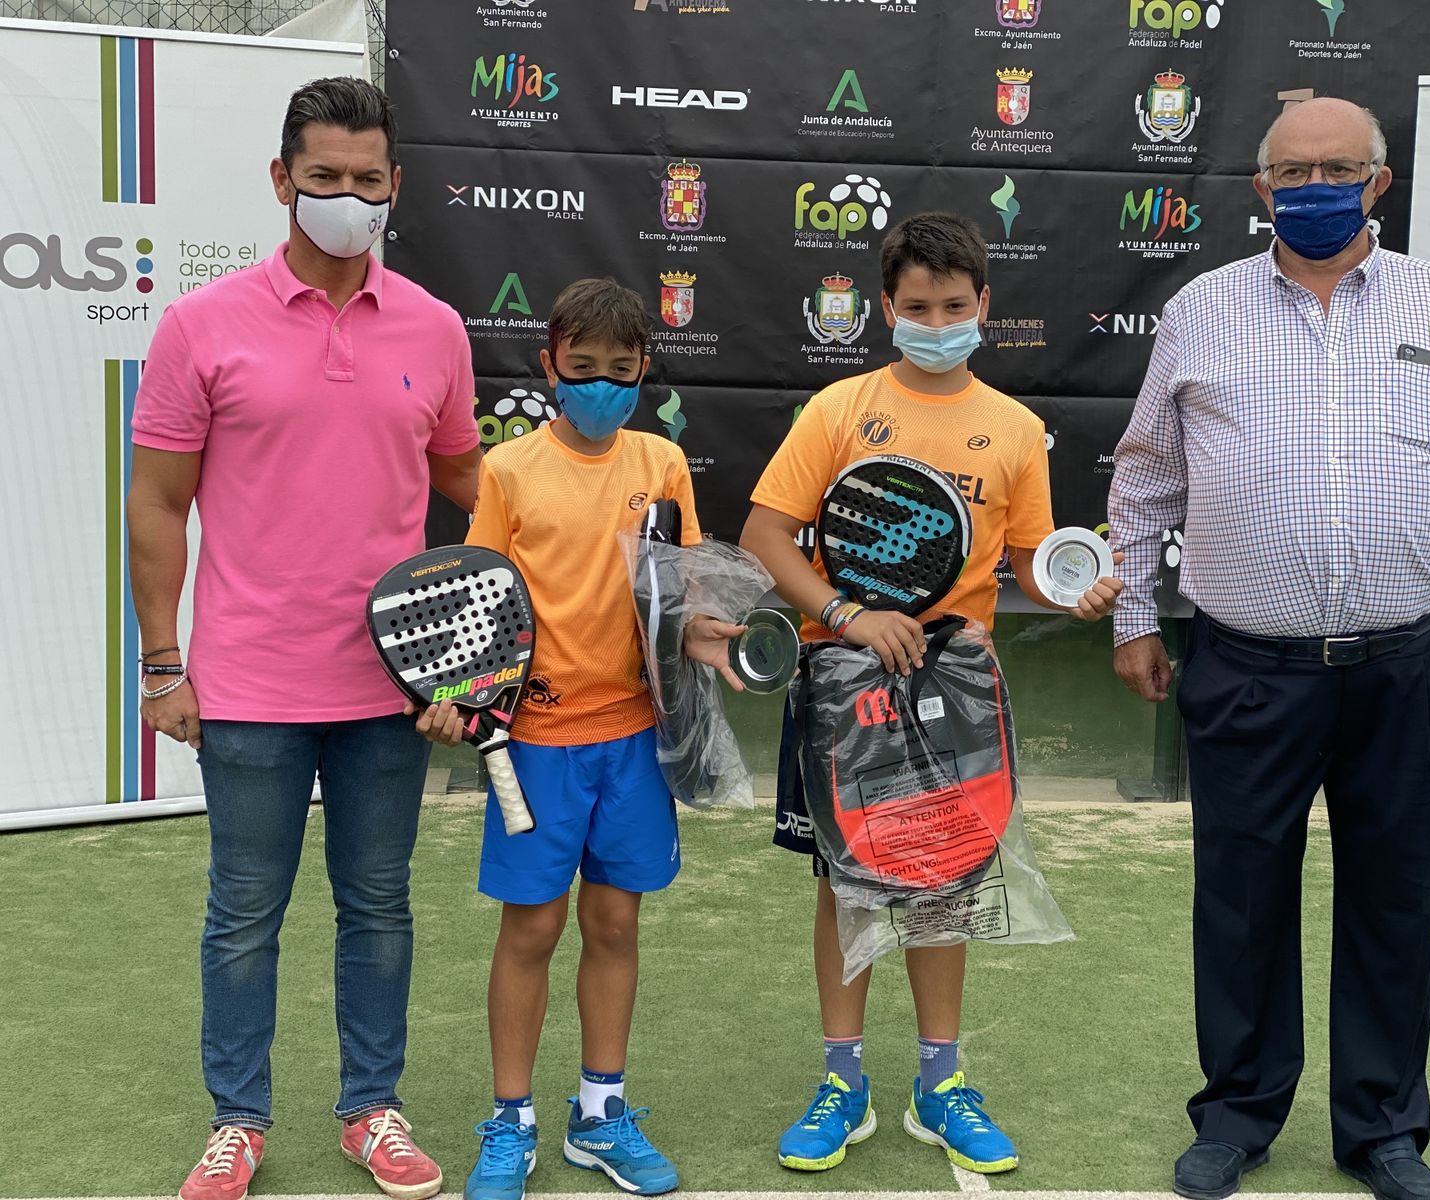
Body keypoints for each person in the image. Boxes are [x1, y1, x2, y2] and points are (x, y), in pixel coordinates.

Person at [1107, 98, 1430, 1200]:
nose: (1312, 184)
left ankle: (1381, 1129)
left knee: (1395, 898)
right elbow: (1147, 476)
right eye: (1290, 171)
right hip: (1243, 664)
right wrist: (1131, 620)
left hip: (1401, 664)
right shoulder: (1200, 312)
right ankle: (1239, 1114)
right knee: (1241, 898)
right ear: (1261, 191)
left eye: (1337, 167)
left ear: (1377, 182)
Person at [128, 77, 482, 1200]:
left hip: (392, 689)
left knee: (378, 907)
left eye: (364, 182)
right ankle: (239, 1120)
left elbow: (475, 490)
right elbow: (156, 503)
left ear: (394, 189)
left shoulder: (436, 327)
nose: (343, 198)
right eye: (321, 178)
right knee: (244, 915)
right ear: (282, 181)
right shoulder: (200, 324)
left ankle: (370, 1110)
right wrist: (161, 662)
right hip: (245, 685)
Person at [740, 212, 1121, 1176]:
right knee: (845, 882)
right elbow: (765, 538)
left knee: (945, 875)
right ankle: (842, 1081)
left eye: (955, 305)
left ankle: (940, 1084)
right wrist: (848, 611)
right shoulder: (837, 411)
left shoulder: (1015, 427)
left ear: (984, 305)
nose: (937, 320)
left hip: (954, 687)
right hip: (844, 681)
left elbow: (1033, 564)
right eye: (918, 306)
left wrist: (1077, 591)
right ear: (886, 309)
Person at [413, 278, 743, 1200]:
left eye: (621, 371)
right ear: (551, 364)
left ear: (645, 372)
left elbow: (680, 595)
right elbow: (481, 596)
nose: (601, 385)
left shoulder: (662, 464)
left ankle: (601, 1115)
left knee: (614, 921)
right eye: (584, 369)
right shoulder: (509, 470)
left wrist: (707, 632)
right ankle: (510, 1120)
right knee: (533, 928)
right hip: (532, 744)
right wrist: (460, 696)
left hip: (636, 739)